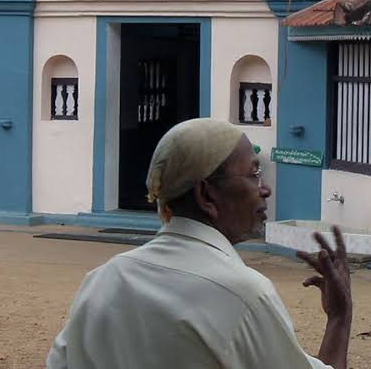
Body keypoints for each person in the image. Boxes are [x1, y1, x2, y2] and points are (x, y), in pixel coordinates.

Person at [46, 117, 352, 368]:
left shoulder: (102, 281)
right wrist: (339, 318)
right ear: (206, 195)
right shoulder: (243, 295)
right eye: (254, 173)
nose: (266, 189)